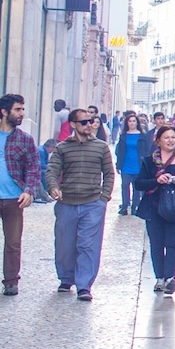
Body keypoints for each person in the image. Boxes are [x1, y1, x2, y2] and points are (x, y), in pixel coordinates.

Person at [45, 108, 115, 301]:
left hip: (93, 203)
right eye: (83, 122)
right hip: (66, 203)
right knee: (65, 245)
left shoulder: (101, 147)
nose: (89, 125)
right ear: (73, 125)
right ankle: (66, 279)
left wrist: (104, 197)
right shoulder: (62, 147)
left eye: (91, 121)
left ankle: (84, 285)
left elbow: (109, 173)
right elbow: (51, 171)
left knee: (88, 245)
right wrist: (53, 188)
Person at [134, 125, 175, 294]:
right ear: (158, 141)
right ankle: (159, 278)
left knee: (172, 243)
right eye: (166, 138)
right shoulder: (149, 161)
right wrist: (157, 180)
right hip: (153, 207)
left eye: (173, 137)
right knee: (156, 244)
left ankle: (170, 278)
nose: (170, 141)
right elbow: (139, 183)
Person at [0, 94, 39, 296]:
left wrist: (29, 191)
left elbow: (33, 168)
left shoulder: (25, 139)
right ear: (4, 112)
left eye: (23, 109)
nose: (22, 113)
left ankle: (11, 281)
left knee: (13, 243)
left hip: (14, 198)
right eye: (18, 110)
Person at [115, 112, 152, 215]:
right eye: (130, 121)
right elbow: (119, 151)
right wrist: (118, 165)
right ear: (127, 123)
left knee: (136, 187)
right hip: (125, 164)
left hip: (138, 164)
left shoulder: (142, 136)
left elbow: (146, 150)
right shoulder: (123, 136)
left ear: (137, 123)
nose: (132, 123)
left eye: (133, 121)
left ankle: (135, 207)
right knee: (125, 185)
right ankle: (124, 206)